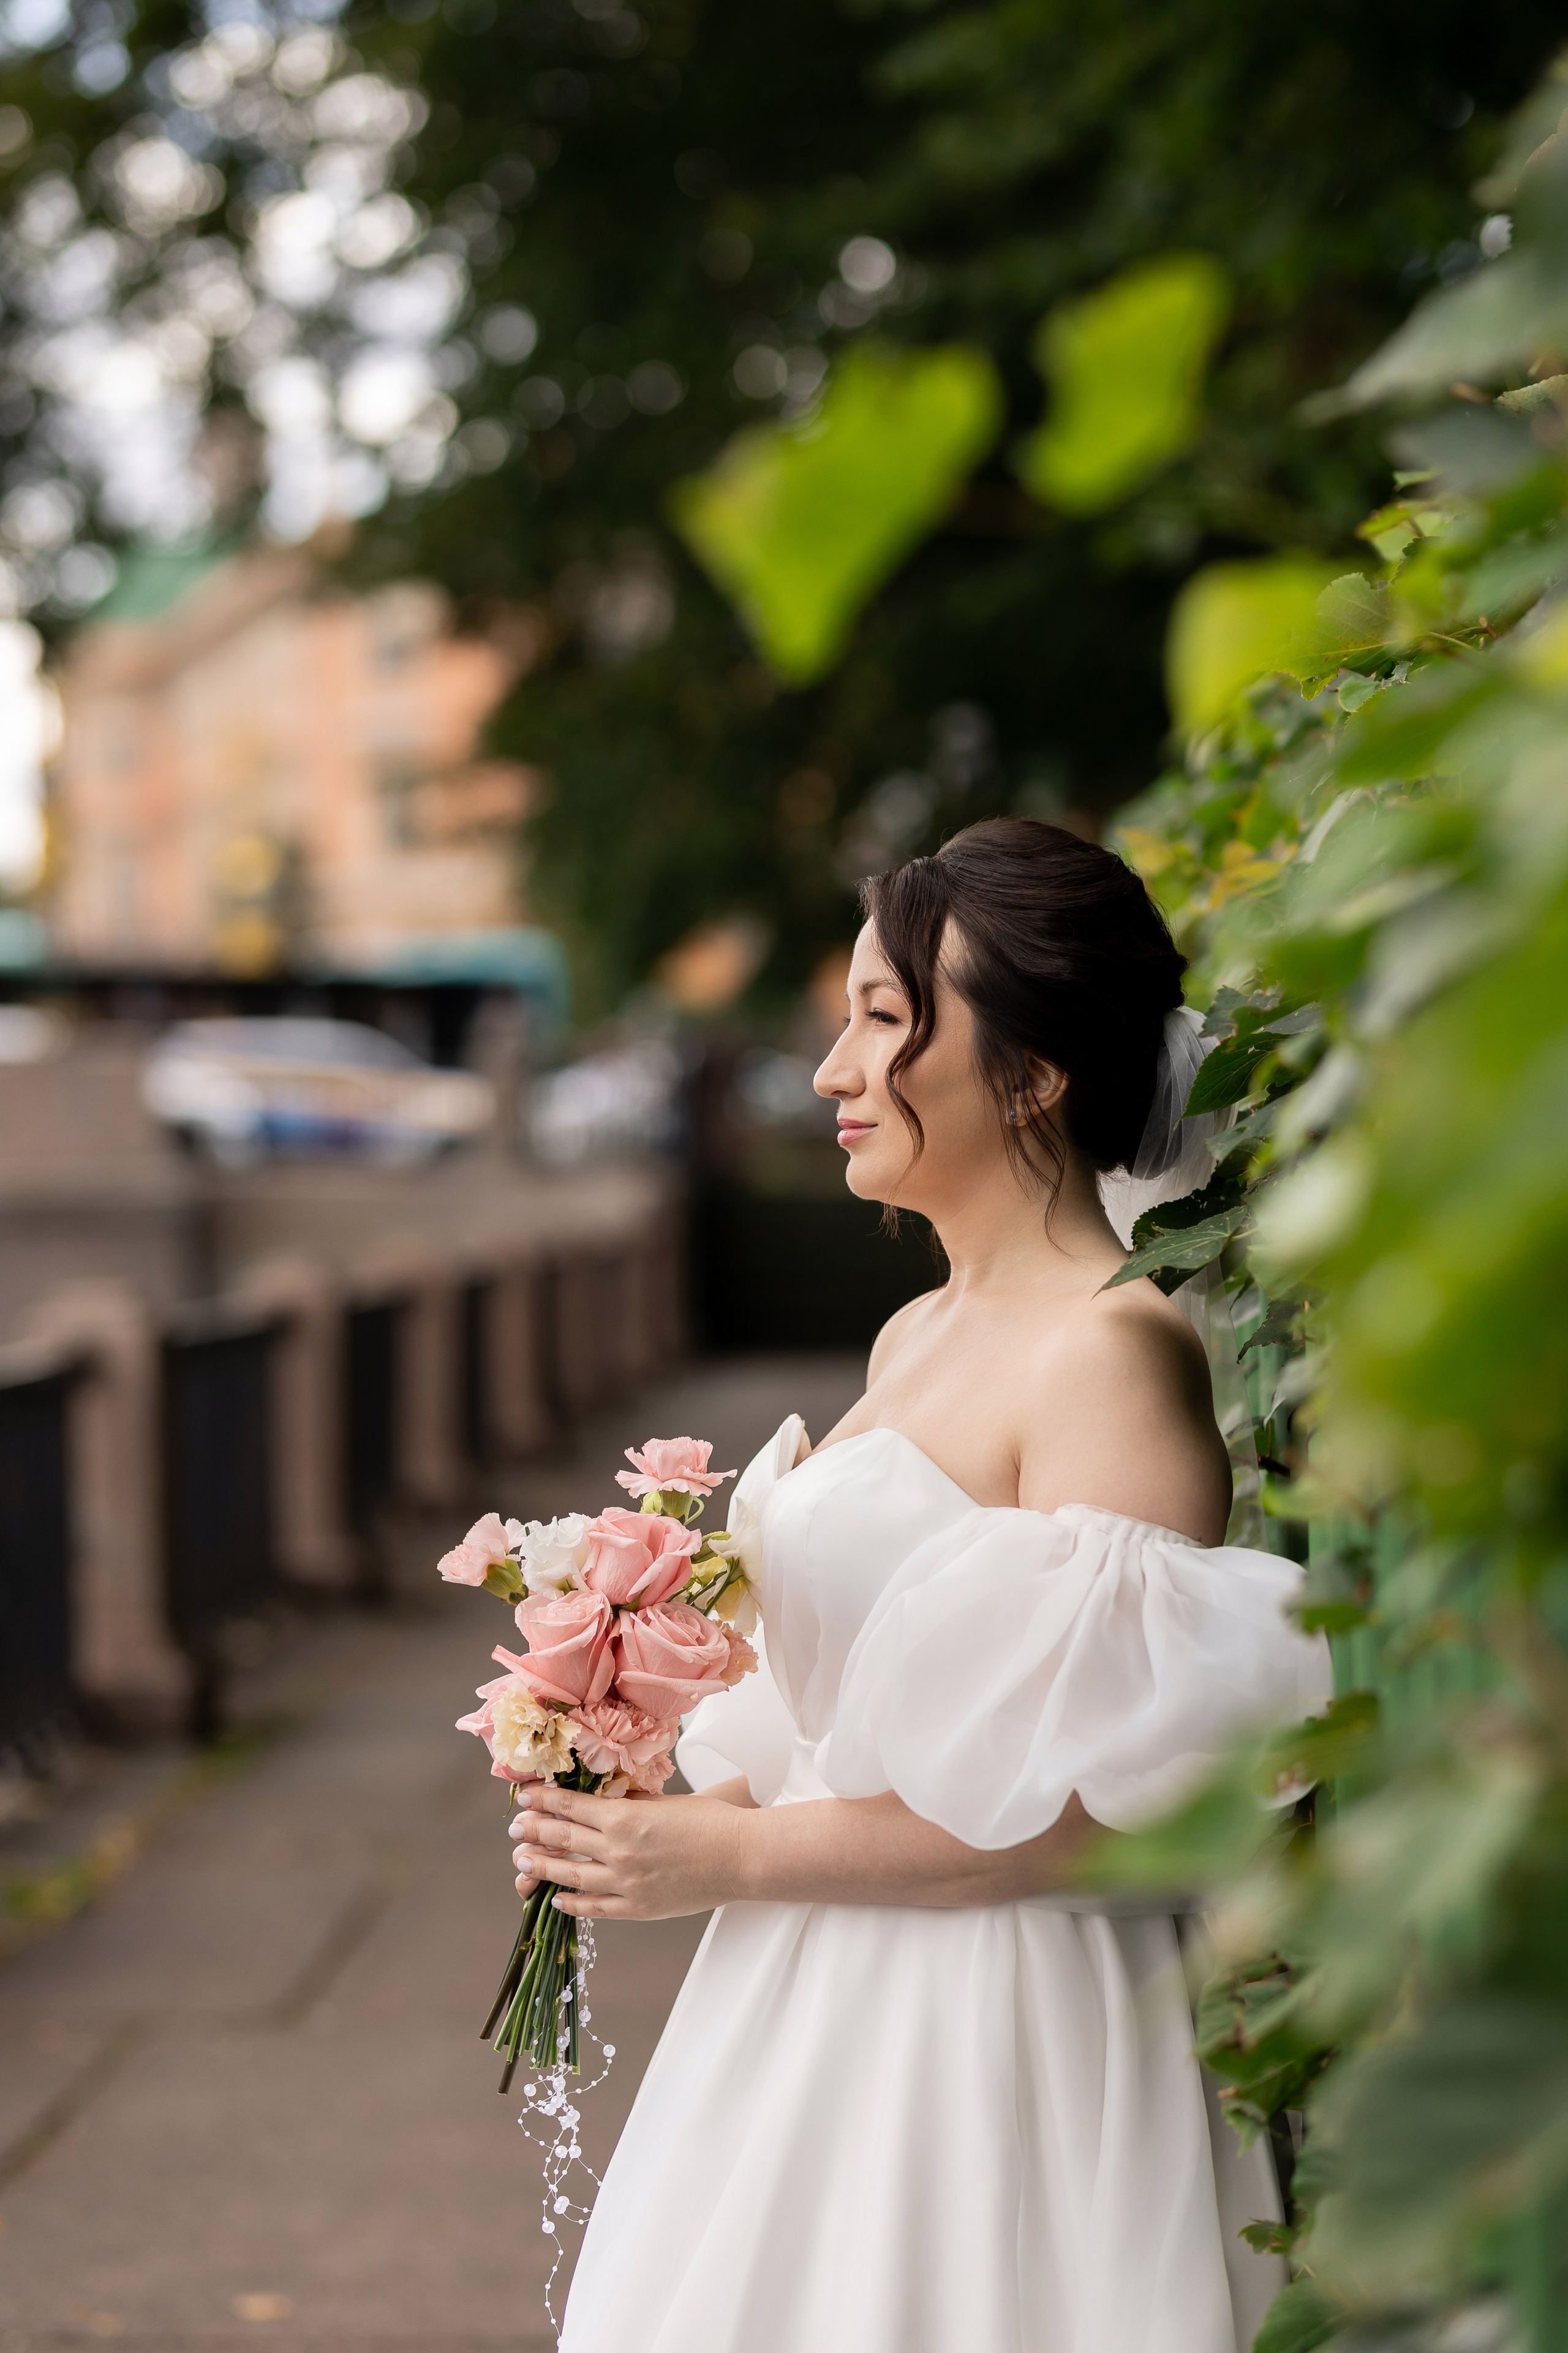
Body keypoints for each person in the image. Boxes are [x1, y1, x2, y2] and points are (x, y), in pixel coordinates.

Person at [510, 819, 1330, 2353]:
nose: (831, 1070)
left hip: (995, 2027)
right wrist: (640, 1795)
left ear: (1031, 1074)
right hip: (819, 1981)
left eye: (883, 1020)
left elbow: (1091, 1816)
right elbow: (902, 1724)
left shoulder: (1108, 1351)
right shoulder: (914, 1333)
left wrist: (727, 1862)